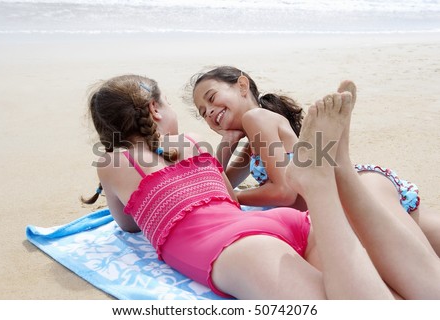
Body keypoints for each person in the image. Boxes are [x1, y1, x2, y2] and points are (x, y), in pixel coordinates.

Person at [81, 74, 440, 299]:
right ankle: (328, 181)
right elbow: (224, 193)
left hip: (237, 246)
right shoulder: (191, 143)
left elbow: (128, 224)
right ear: (155, 109)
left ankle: (321, 187)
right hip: (282, 222)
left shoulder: (112, 163)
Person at [191, 66, 440, 257]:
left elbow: (283, 192)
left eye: (212, 98)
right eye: (203, 112)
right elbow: (216, 183)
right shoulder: (251, 140)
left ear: (242, 86)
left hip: (352, 199)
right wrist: (227, 143)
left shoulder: (257, 118)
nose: (209, 111)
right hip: (349, 200)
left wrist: (236, 198)